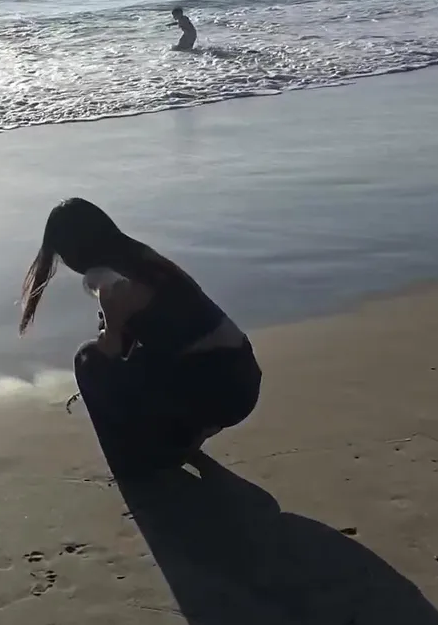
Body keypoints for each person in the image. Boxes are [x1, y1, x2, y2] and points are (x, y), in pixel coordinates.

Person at [18, 198, 261, 479]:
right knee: (138, 353)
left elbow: (111, 342)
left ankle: (130, 465)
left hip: (215, 385)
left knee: (89, 360)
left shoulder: (102, 276)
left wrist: (108, 323)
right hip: (242, 376)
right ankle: (183, 435)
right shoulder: (142, 256)